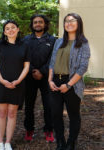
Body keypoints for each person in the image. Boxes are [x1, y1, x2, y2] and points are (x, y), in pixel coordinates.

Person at [48, 13, 90, 150]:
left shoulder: (83, 43)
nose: (69, 23)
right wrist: (49, 79)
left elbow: (83, 67)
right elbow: (52, 62)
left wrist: (69, 84)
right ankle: (60, 142)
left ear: (79, 23)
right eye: (66, 21)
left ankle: (71, 143)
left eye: (72, 20)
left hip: (72, 83)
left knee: (73, 115)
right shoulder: (59, 41)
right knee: (55, 113)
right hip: (55, 81)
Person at [0, 20, 30, 150]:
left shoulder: (24, 45)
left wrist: (18, 80)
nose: (10, 30)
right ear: (4, 32)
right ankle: (0, 142)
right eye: (7, 28)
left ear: (18, 29)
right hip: (1, 83)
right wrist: (2, 80)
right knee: (1, 113)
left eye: (13, 27)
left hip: (17, 84)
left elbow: (27, 66)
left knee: (12, 113)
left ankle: (8, 142)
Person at [22, 14, 56, 143]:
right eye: (35, 22)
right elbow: (23, 57)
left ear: (45, 24)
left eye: (40, 22)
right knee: (29, 106)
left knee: (48, 105)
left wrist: (42, 71)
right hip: (29, 77)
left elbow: (53, 59)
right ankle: (29, 130)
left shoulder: (52, 40)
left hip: (47, 77)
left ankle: (49, 130)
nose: (37, 24)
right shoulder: (25, 40)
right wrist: (32, 70)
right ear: (32, 24)